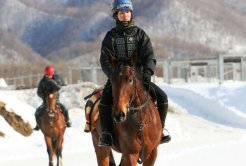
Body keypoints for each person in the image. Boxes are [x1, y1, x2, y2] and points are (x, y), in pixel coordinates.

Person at [98, 0, 171, 147]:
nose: (125, 15)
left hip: (139, 77)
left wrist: (147, 75)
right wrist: (114, 76)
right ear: (115, 15)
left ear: (131, 13)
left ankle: (160, 131)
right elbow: (104, 60)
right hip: (117, 79)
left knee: (162, 97)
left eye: (127, 12)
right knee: (104, 102)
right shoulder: (110, 37)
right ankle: (106, 134)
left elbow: (150, 57)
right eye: (121, 12)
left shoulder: (140, 35)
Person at [33, 65, 71, 130]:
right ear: (45, 74)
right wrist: (44, 97)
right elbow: (38, 92)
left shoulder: (56, 79)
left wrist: (50, 81)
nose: (49, 76)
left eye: (50, 75)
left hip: (56, 100)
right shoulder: (42, 81)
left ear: (52, 74)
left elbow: (58, 87)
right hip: (46, 101)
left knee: (65, 108)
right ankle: (38, 125)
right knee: (37, 112)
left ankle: (67, 121)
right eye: (47, 75)